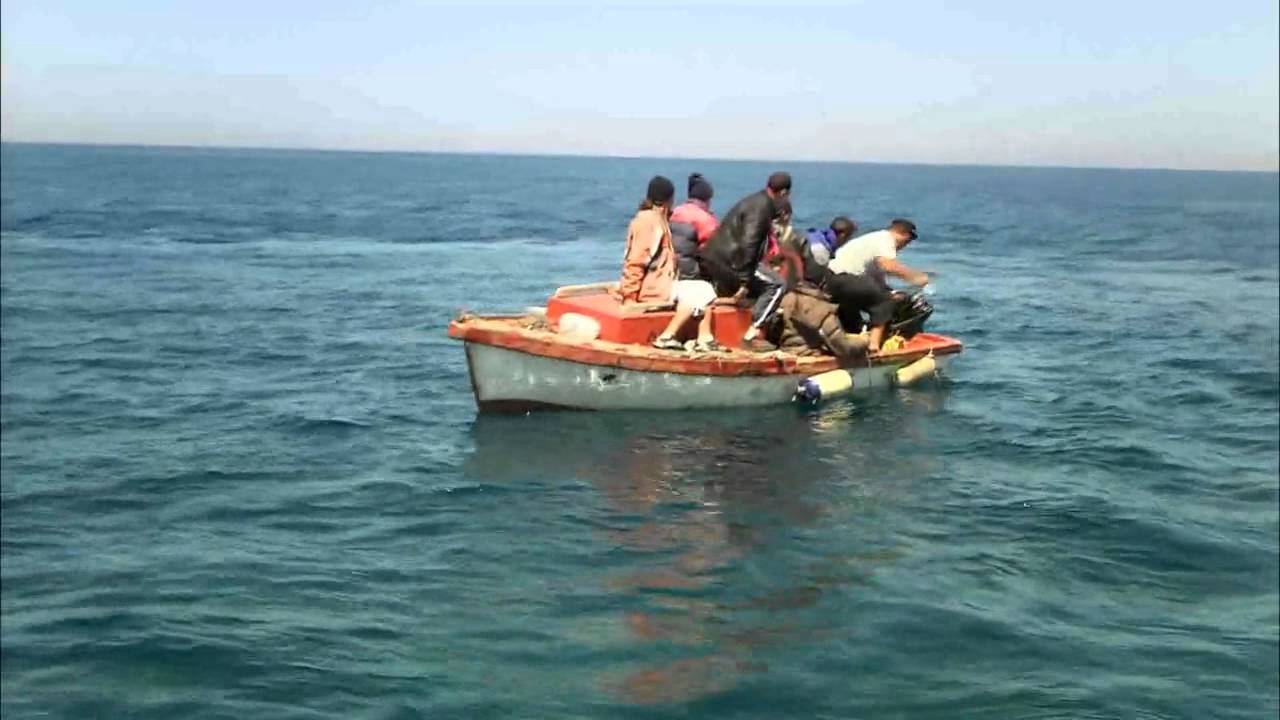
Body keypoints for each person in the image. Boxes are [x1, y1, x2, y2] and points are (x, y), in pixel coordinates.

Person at [615, 175, 723, 352]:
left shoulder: (658, 219)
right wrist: (629, 297)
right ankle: (667, 335)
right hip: (654, 288)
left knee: (703, 289)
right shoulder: (648, 222)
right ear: (669, 199)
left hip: (662, 283)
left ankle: (705, 337)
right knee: (702, 292)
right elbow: (635, 261)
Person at [825, 218, 930, 352]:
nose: (904, 246)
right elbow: (888, 265)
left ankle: (848, 344)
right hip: (846, 277)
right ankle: (874, 346)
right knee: (884, 302)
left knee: (852, 317)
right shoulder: (886, 239)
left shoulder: (873, 241)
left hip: (831, 279)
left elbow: (876, 280)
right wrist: (917, 277)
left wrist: (890, 291)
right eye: (907, 242)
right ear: (904, 235)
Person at [670, 173, 718, 280]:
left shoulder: (674, 212)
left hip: (670, 271)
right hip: (692, 275)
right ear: (706, 199)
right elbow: (715, 252)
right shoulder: (706, 220)